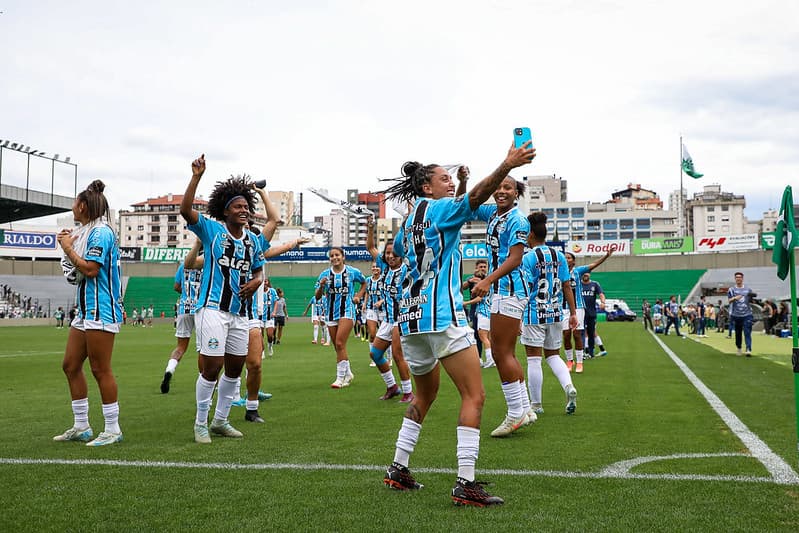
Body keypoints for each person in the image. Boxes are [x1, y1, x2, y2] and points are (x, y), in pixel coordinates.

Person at [379, 141, 535, 506]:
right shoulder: (440, 210)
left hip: (412, 319)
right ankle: (466, 482)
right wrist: (506, 163)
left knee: (424, 394)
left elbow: (400, 251)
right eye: (443, 179)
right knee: (474, 395)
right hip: (443, 317)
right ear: (426, 187)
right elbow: (477, 196)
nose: (450, 183)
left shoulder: (408, 223)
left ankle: (399, 467)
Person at [180, 154, 265, 444]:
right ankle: (200, 422)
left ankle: (220, 421)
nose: (244, 210)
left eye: (246, 206)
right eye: (238, 206)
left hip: (240, 313)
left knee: (234, 368)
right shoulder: (211, 230)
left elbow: (258, 272)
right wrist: (196, 177)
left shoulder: (253, 240)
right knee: (212, 366)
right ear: (226, 211)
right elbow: (185, 209)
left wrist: (256, 282)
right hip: (212, 309)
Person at [54, 179, 124, 447]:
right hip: (85, 310)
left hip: (102, 308)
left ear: (83, 205)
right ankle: (81, 425)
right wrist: (69, 246)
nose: (72, 206)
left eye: (75, 201)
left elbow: (92, 269)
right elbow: (75, 274)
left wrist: (68, 248)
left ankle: (113, 429)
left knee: (100, 368)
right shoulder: (85, 231)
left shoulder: (101, 233)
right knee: (70, 365)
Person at [470, 174, 535, 437]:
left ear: (516, 192)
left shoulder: (518, 220)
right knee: (507, 353)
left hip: (510, 290)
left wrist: (488, 279)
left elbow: (516, 258)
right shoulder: (494, 214)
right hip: (502, 291)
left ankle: (515, 412)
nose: (501, 191)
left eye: (507, 187)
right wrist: (463, 182)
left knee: (500, 353)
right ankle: (526, 409)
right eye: (497, 187)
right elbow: (470, 204)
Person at [521, 212, 579, 415]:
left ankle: (536, 404)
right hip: (555, 312)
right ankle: (569, 387)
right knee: (554, 356)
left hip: (533, 313)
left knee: (533, 359)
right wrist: (572, 313)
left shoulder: (527, 258)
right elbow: (566, 286)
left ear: (529, 235)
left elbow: (525, 288)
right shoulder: (560, 256)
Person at [366, 216, 414, 401]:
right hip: (388, 319)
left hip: (402, 319)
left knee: (397, 354)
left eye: (394, 253)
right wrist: (370, 227)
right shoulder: (384, 269)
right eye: (387, 253)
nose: (390, 256)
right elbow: (370, 247)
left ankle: (408, 392)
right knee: (375, 353)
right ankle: (392, 387)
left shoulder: (407, 268)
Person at [315, 247, 367, 388]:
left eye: (337, 255)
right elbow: (317, 296)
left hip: (347, 311)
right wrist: (321, 286)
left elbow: (364, 283)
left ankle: (340, 379)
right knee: (338, 347)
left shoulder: (352, 272)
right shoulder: (324, 274)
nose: (334, 258)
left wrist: (358, 296)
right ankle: (348, 373)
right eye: (332, 256)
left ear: (343, 257)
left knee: (339, 343)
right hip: (331, 313)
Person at [160, 240, 202, 394]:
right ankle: (204, 381)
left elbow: (176, 286)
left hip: (184, 308)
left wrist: (186, 295)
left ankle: (169, 370)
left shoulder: (183, 265)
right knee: (202, 348)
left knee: (180, 347)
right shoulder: (207, 264)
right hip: (201, 309)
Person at [562, 249, 613, 373]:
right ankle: (569, 361)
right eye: (564, 257)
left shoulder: (578, 271)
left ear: (573, 262)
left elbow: (594, 264)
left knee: (577, 334)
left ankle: (579, 362)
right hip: (563, 307)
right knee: (566, 335)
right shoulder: (558, 273)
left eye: (569, 257)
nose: (566, 259)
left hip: (578, 306)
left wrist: (606, 255)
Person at [461, 259, 488, 358]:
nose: (483, 269)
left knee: (487, 335)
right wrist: (469, 281)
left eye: (484, 267)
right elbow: (462, 287)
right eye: (481, 267)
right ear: (476, 268)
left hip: (487, 308)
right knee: (476, 333)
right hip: (474, 309)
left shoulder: (489, 279)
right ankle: (479, 358)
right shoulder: (471, 278)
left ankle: (491, 358)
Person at [728, 272, 755, 356]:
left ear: (742, 278)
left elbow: (751, 301)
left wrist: (752, 298)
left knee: (747, 332)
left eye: (740, 277)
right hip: (736, 315)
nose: (738, 279)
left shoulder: (748, 289)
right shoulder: (732, 289)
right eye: (737, 277)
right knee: (738, 332)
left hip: (747, 314)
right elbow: (729, 301)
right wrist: (735, 298)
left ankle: (748, 349)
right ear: (735, 279)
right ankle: (739, 348)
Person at [580, 271, 606, 357]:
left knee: (591, 333)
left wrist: (603, 302)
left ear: (589, 275)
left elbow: (601, 294)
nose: (585, 275)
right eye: (584, 274)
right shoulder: (578, 284)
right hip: (580, 313)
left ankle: (591, 352)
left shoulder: (595, 284)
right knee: (581, 333)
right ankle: (582, 352)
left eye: (587, 274)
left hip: (591, 313)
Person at [262, 278, 278, 356]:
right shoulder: (258, 291)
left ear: (268, 282)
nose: (264, 283)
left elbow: (276, 302)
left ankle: (270, 346)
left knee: (270, 335)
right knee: (260, 336)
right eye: (263, 281)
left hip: (270, 317)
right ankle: (262, 351)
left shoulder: (272, 291)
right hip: (259, 317)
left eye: (265, 281)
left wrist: (274, 311)